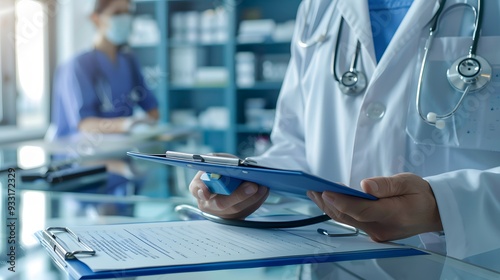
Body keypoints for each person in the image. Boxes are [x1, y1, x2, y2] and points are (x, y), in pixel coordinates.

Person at [189, 0, 500, 261]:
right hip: (330, 261)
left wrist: (444, 206)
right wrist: (245, 182)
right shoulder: (317, 7)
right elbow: (296, 144)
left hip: (471, 264)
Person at [50, 0, 159, 139]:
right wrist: (126, 125)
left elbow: (153, 110)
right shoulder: (78, 65)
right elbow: (84, 123)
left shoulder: (129, 61)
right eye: (117, 13)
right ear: (95, 18)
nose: (125, 19)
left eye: (128, 12)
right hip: (79, 154)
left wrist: (143, 124)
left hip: (120, 150)